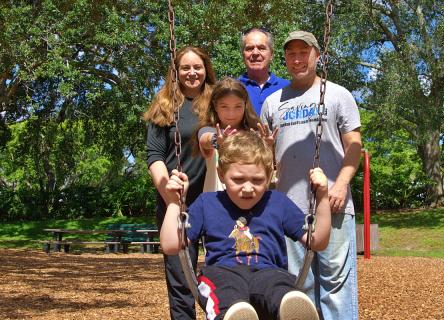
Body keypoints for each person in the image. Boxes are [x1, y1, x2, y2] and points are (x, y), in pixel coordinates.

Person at [160, 131, 331, 320]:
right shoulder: (207, 203)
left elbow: (316, 242)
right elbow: (170, 245)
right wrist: (173, 203)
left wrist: (322, 196)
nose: (248, 188)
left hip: (269, 272)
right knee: (229, 298)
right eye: (238, 180)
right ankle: (235, 315)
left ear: (269, 176)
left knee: (279, 288)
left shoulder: (277, 202)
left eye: (257, 180)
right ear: (221, 174)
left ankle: (292, 311)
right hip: (222, 273)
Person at [260, 31, 363, 320]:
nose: (297, 59)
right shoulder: (272, 102)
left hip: (333, 203)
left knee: (335, 284)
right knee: (297, 285)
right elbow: (266, 160)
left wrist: (341, 185)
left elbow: (354, 146)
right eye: (291, 54)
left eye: (303, 53)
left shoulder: (338, 95)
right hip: (289, 209)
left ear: (317, 55)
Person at [144, 46, 216, 320]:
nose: (191, 73)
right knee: (180, 277)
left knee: (220, 272)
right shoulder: (164, 103)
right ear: (176, 72)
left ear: (205, 69)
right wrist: (170, 196)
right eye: (185, 68)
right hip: (175, 200)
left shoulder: (216, 101)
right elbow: (155, 157)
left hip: (212, 199)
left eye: (197, 67)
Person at [194, 77, 261, 192]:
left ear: (245, 105)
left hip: (249, 197)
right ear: (215, 106)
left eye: (238, 106)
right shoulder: (209, 130)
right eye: (224, 106)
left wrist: (268, 145)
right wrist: (218, 141)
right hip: (216, 203)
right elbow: (205, 140)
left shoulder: (254, 133)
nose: (231, 113)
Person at [239, 28, 290, 115]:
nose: (255, 53)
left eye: (261, 48)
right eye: (249, 48)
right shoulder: (233, 88)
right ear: (243, 55)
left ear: (271, 55)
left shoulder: (288, 88)